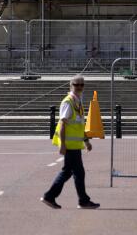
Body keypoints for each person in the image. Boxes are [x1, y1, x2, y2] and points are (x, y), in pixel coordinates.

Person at [41, 75, 99, 210]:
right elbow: (62, 125)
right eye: (76, 84)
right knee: (76, 172)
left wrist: (86, 141)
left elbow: (79, 125)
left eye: (81, 85)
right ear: (70, 85)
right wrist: (62, 144)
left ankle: (52, 196)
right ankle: (80, 200)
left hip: (75, 145)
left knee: (69, 172)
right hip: (69, 145)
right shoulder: (68, 102)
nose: (79, 87)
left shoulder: (78, 102)